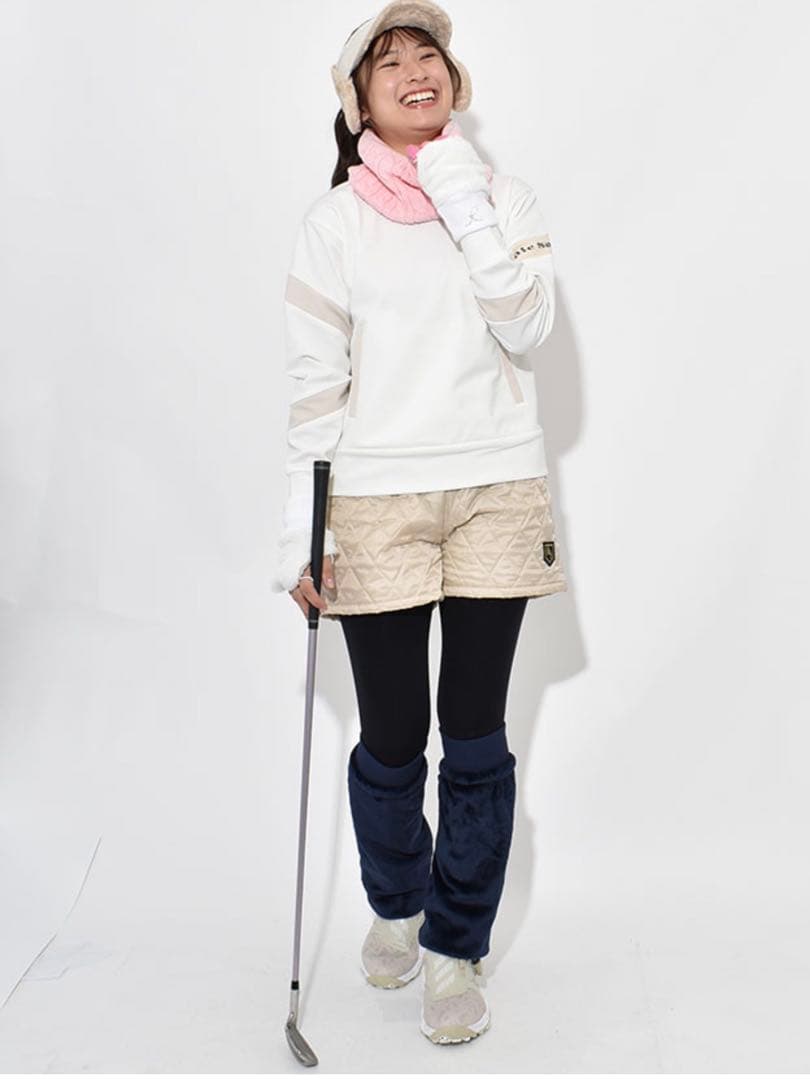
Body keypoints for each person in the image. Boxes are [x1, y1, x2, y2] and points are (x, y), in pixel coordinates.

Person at [271, 0, 569, 1046]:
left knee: (475, 734)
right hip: (375, 500)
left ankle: (454, 944)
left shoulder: (501, 195)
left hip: (496, 489)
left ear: (454, 77)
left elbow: (526, 326)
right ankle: (396, 903)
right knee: (393, 737)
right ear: (358, 100)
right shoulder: (333, 222)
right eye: (387, 60)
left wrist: (458, 193)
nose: (413, 70)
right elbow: (315, 386)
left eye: (427, 52)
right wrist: (301, 536)